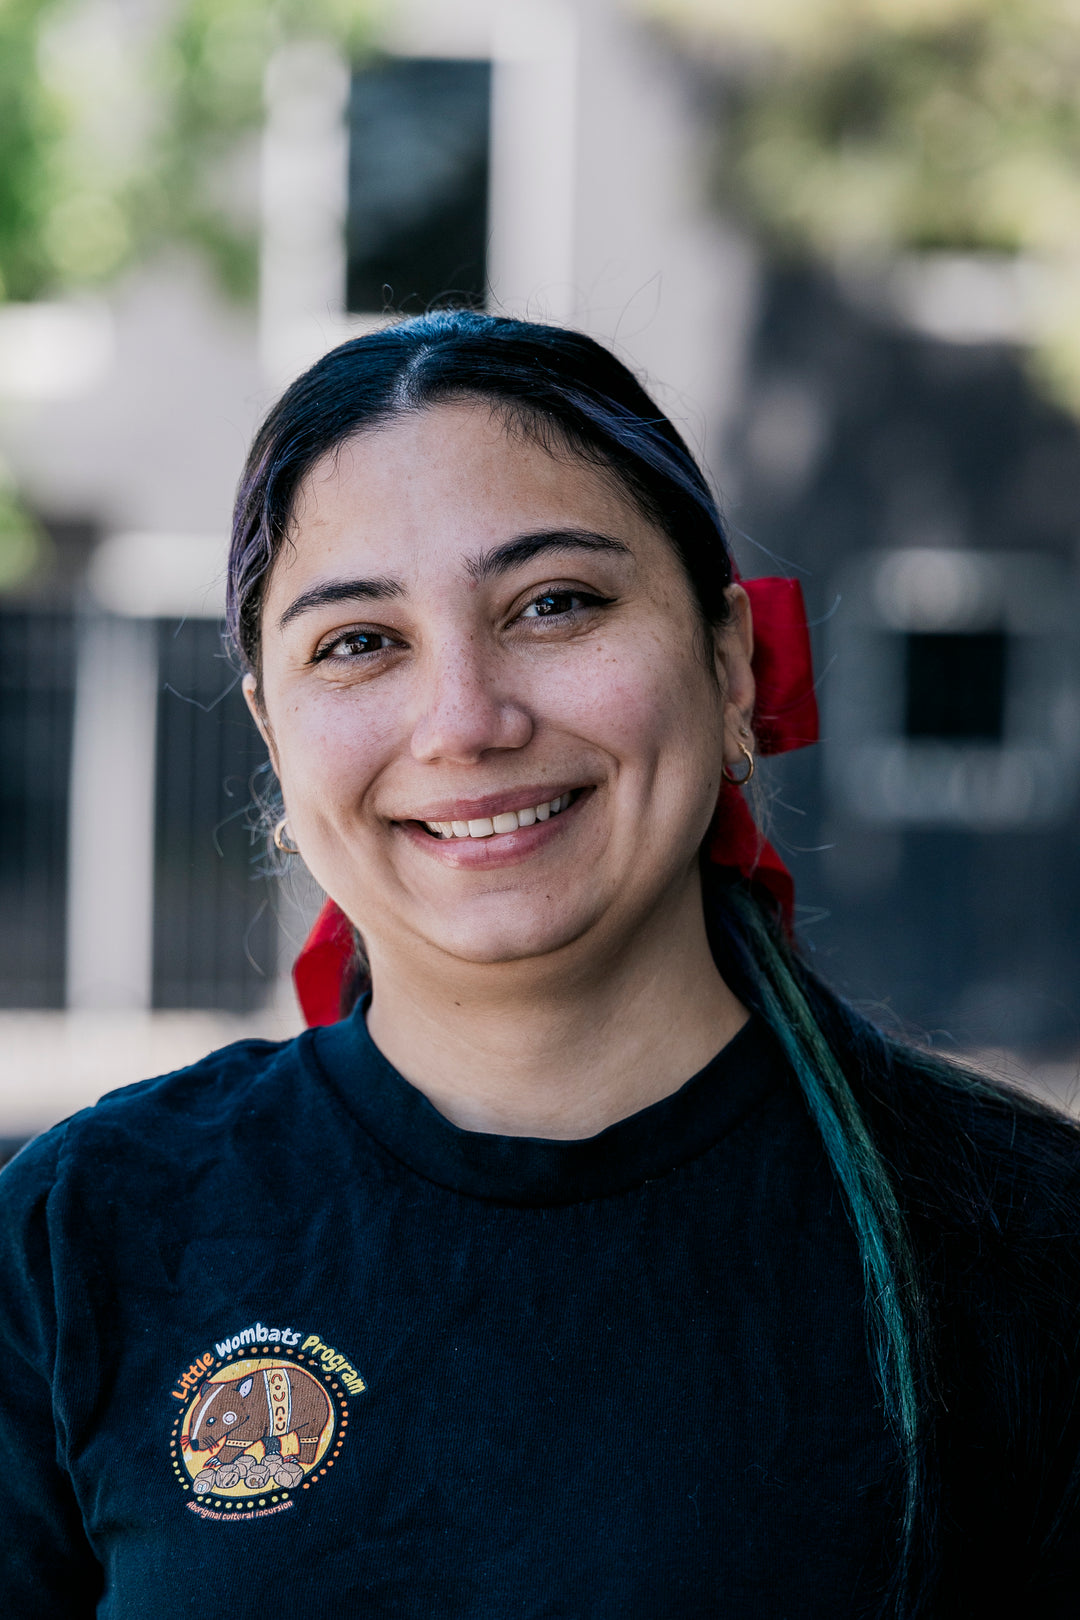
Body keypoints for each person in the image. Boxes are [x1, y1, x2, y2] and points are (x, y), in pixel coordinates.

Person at [2, 311, 1079, 1619]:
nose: (467, 720)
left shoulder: (1031, 1244)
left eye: (555, 604)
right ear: (274, 738)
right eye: (359, 640)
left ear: (732, 665)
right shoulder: (81, 1237)